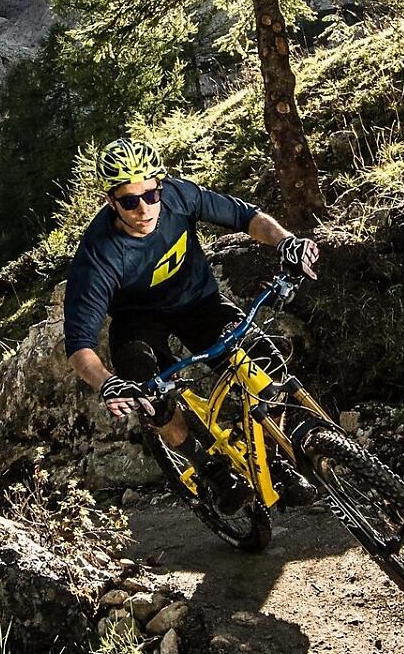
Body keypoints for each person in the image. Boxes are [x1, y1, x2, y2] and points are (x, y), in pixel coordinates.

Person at [64, 137, 321, 514]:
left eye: (151, 195)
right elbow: (79, 345)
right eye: (130, 201)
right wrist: (107, 383)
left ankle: (272, 459)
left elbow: (247, 217)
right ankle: (207, 467)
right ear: (111, 202)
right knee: (151, 397)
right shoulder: (97, 257)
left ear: (161, 187)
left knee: (266, 364)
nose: (144, 208)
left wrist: (286, 242)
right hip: (138, 321)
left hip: (198, 302)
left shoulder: (180, 196)